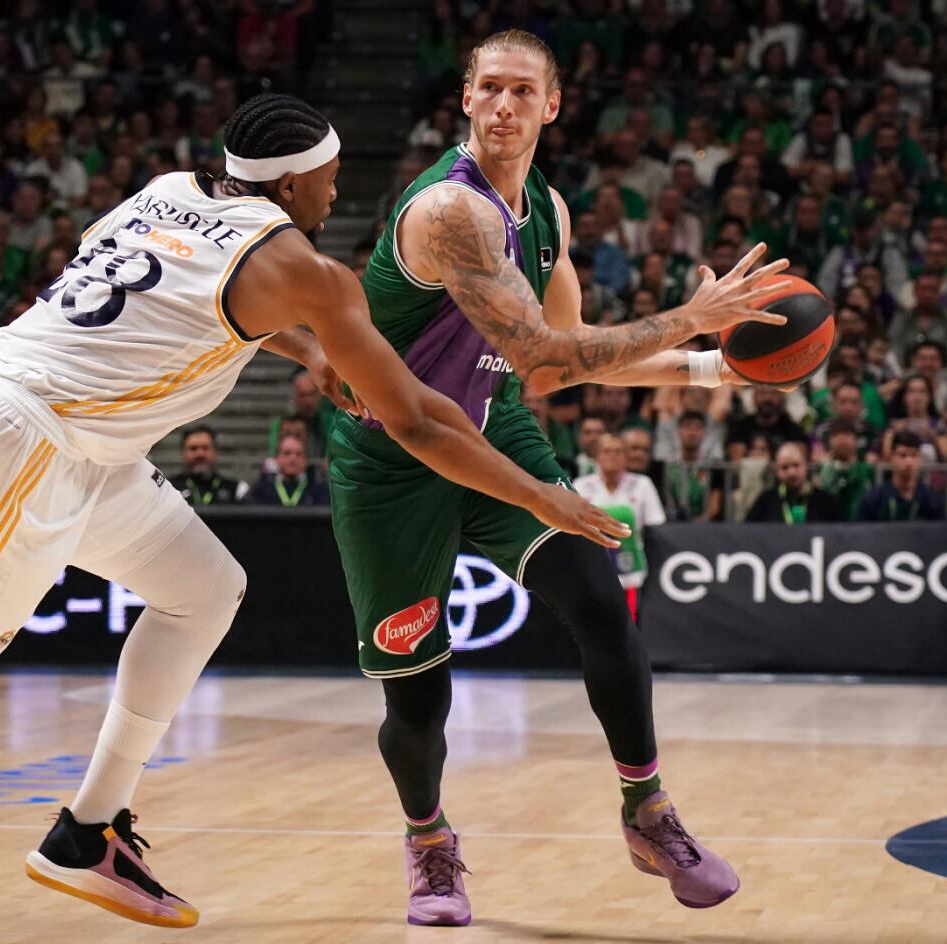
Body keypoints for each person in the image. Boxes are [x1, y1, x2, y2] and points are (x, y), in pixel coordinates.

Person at [0, 93, 630, 940]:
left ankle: (90, 829)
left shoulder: (171, 187)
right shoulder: (308, 270)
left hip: (74, 439)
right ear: (293, 185)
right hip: (19, 442)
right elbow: (416, 418)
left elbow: (199, 298)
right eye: (331, 180)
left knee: (205, 586)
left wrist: (311, 356)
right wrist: (538, 491)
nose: (338, 195)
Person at [337, 32, 789, 924]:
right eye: (489, 89)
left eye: (522, 91)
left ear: (552, 106)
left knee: (600, 601)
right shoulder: (449, 214)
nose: (504, 105)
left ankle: (648, 810)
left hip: (492, 422)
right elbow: (537, 347)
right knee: (420, 695)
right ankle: (429, 843)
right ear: (465, 101)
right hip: (394, 456)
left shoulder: (545, 208)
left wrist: (707, 367)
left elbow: (554, 375)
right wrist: (687, 318)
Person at [574, 433, 665, 594]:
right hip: (592, 570)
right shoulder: (581, 486)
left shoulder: (643, 485)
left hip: (632, 572)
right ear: (597, 456)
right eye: (607, 451)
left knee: (628, 617)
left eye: (618, 452)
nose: (613, 456)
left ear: (625, 457)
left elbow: (655, 528)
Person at [858, 431, 947, 521]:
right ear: (891, 457)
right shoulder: (873, 501)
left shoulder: (935, 502)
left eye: (914, 455)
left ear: (920, 459)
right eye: (903, 455)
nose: (909, 462)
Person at [746, 441, 840, 523]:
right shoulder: (765, 501)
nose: (791, 472)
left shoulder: (825, 500)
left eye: (796, 465)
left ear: (805, 466)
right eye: (784, 467)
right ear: (777, 471)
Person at [245, 433, 328, 506]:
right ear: (277, 458)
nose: (292, 458)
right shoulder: (262, 487)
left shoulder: (318, 488)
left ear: (305, 459)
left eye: (298, 454)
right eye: (287, 453)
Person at [174, 424, 246, 505]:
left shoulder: (236, 489)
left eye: (205, 448)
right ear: (182, 453)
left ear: (215, 452)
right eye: (193, 448)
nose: (200, 454)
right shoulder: (169, 488)